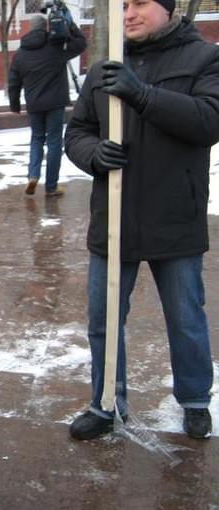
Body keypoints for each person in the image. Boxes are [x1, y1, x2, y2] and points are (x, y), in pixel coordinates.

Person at [64, 0, 219, 440]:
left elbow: (210, 120)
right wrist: (92, 154)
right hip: (113, 218)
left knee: (185, 316)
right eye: (123, 5)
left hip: (175, 216)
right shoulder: (104, 67)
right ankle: (107, 402)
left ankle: (194, 399)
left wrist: (143, 95)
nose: (128, 14)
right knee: (104, 318)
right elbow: (76, 132)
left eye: (139, 4)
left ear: (167, 8)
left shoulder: (204, 57)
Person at [8, 8, 86, 197]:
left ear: (30, 28)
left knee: (36, 139)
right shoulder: (56, 47)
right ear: (46, 27)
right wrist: (70, 24)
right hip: (55, 103)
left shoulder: (20, 53)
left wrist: (15, 105)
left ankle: (33, 175)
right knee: (53, 143)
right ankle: (51, 186)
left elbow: (13, 81)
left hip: (34, 104)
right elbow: (81, 44)